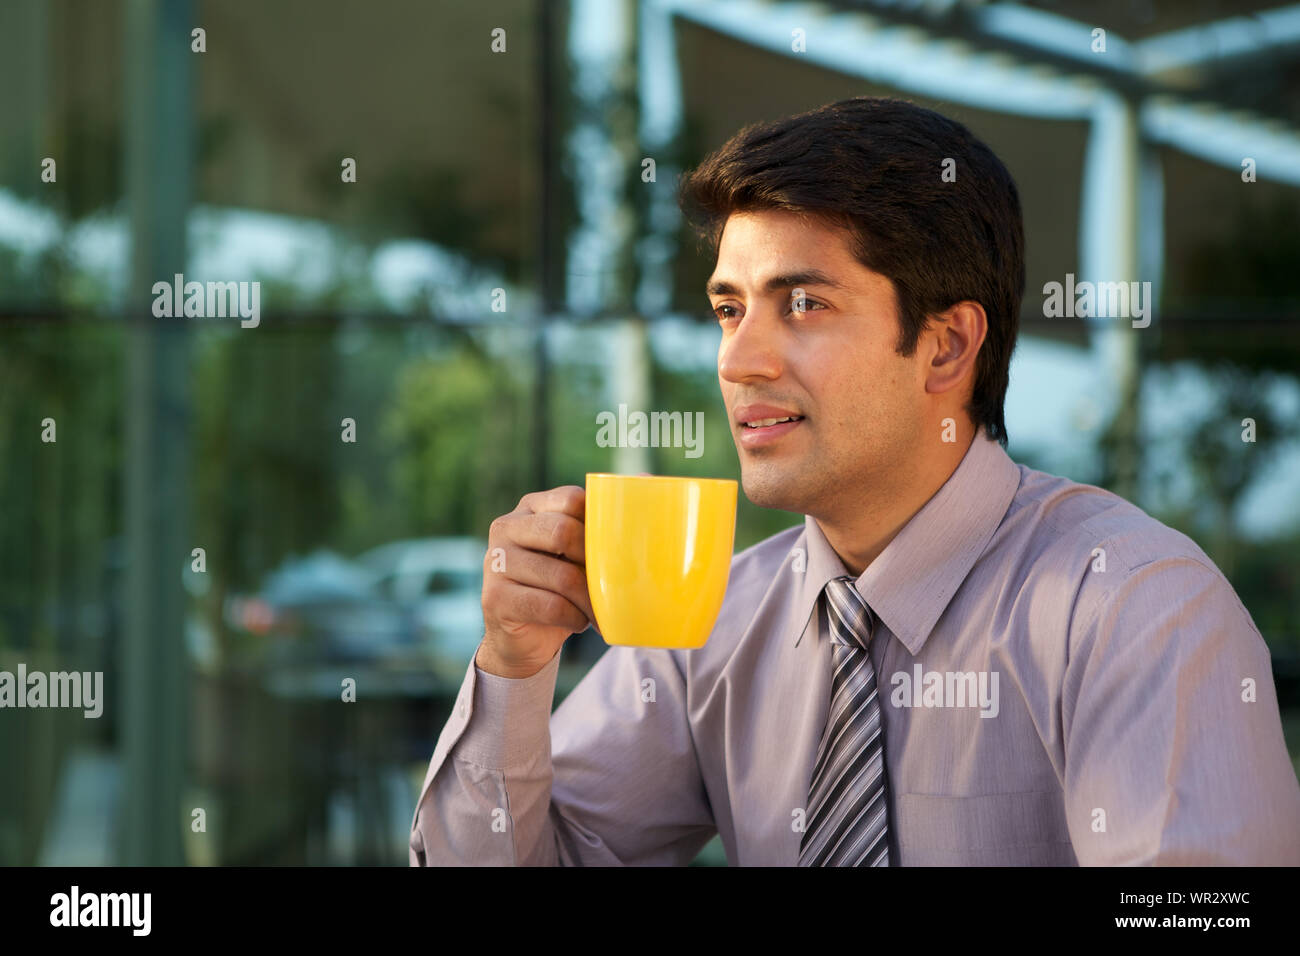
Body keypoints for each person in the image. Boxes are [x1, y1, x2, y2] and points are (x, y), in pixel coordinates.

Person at [408, 96, 1300, 866]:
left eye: (804, 304)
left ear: (946, 345)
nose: (739, 361)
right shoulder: (709, 619)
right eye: (729, 308)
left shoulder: (1137, 610)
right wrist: (514, 667)